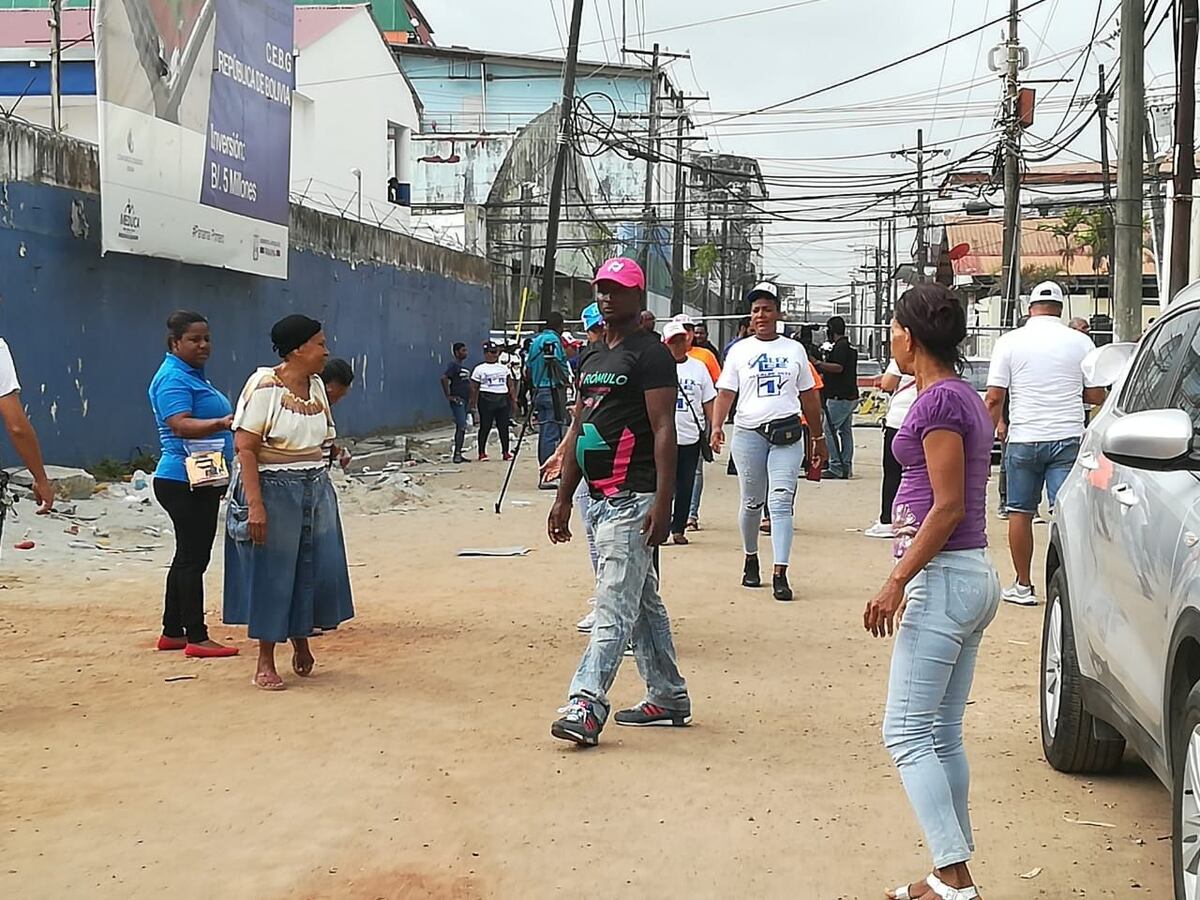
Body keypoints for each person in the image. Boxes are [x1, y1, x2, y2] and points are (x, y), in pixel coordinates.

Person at [863, 283, 1000, 900]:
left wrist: (896, 582)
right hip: (965, 576)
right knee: (940, 731)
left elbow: (946, 508)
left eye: (894, 327)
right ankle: (949, 876)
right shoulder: (957, 395)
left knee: (907, 732)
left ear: (911, 338)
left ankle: (953, 876)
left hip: (944, 578)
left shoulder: (940, 402)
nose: (890, 336)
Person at [548, 257, 690, 746]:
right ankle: (668, 693)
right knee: (642, 600)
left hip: (635, 495)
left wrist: (665, 501)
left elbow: (663, 429)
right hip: (598, 495)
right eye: (602, 289)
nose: (607, 297)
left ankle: (586, 701)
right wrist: (564, 496)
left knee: (612, 602)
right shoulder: (590, 357)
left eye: (618, 290)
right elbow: (579, 427)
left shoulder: (650, 355)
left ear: (638, 296)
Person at [224, 315, 354, 690]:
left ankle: (301, 640)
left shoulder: (316, 387)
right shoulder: (265, 385)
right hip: (274, 487)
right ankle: (265, 660)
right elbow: (245, 448)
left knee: (312, 566)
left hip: (315, 487)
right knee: (274, 572)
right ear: (298, 348)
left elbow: (324, 439)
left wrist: (334, 456)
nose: (326, 351)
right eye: (319, 343)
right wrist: (256, 505)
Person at [985, 281, 1106, 606]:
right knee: (1067, 512)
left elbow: (995, 396)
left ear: (1030, 308)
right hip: (1067, 437)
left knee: (1019, 513)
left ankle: (1023, 586)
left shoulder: (1009, 342)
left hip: (1023, 438)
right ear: (1061, 310)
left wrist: (983, 436)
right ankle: (1071, 585)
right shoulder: (1082, 342)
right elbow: (1095, 395)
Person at [711, 281, 827, 602]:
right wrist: (717, 426)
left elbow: (809, 397)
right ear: (750, 316)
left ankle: (781, 571)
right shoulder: (739, 351)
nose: (761, 315)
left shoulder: (794, 351)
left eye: (767, 309)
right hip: (749, 434)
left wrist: (818, 437)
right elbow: (725, 393)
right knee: (751, 502)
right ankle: (751, 557)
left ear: (778, 313)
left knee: (779, 502)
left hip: (787, 435)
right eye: (756, 310)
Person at [148, 311, 237, 658]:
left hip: (200, 476)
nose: (203, 345)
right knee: (192, 559)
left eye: (207, 339)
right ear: (175, 343)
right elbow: (180, 425)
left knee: (188, 556)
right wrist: (223, 423)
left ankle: (173, 631)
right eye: (194, 340)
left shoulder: (192, 376)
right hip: (182, 478)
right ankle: (196, 637)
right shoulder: (173, 379)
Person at [542, 302, 606, 634]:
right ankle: (604, 598)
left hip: (620, 465)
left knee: (617, 544)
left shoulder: (633, 361)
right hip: (587, 456)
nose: (597, 336)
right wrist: (563, 451)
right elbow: (581, 417)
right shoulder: (589, 364)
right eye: (594, 330)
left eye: (600, 329)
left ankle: (619, 611)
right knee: (594, 536)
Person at [663, 321, 715, 545]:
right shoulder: (658, 367)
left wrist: (715, 429)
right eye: (673, 341)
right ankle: (662, 527)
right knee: (663, 485)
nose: (678, 344)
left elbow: (709, 400)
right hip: (664, 437)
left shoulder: (698, 367)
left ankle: (679, 527)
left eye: (681, 339)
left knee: (686, 483)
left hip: (690, 436)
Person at [864, 359, 918, 540]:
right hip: (924, 419)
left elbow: (887, 384)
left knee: (893, 473)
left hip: (899, 421)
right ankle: (916, 519)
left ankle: (888, 520)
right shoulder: (940, 355)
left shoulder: (903, 358)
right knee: (921, 474)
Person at [815, 315, 859, 479]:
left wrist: (818, 363)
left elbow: (838, 367)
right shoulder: (848, 346)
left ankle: (836, 467)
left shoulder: (841, 347)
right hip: (849, 395)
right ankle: (846, 466)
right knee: (845, 431)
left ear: (830, 330)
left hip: (840, 397)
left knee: (829, 429)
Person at [527, 312, 570, 465]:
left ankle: (543, 465)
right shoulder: (553, 340)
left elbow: (528, 367)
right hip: (552, 389)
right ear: (560, 326)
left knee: (544, 431)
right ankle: (548, 469)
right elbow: (557, 363)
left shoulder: (535, 341)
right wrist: (566, 380)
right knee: (552, 432)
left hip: (538, 389)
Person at [470, 341, 516, 461]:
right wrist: (473, 404)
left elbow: (510, 384)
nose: (495, 355)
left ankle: (506, 452)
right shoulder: (479, 369)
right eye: (492, 352)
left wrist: (513, 400)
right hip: (486, 398)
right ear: (486, 353)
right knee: (485, 426)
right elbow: (474, 387)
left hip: (502, 398)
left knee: (503, 427)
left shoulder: (503, 368)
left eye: (496, 352)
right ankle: (481, 452)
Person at [441, 342, 471, 464]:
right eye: (463, 350)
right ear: (457, 352)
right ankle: (457, 454)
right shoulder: (453, 366)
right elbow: (443, 378)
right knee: (461, 425)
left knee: (462, 427)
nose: (466, 353)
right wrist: (449, 396)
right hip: (458, 399)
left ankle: (459, 452)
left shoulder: (461, 366)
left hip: (465, 400)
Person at [322, 358, 355, 469]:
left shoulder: (324, 408)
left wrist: (337, 452)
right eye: (340, 395)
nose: (338, 400)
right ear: (329, 387)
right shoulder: (311, 409)